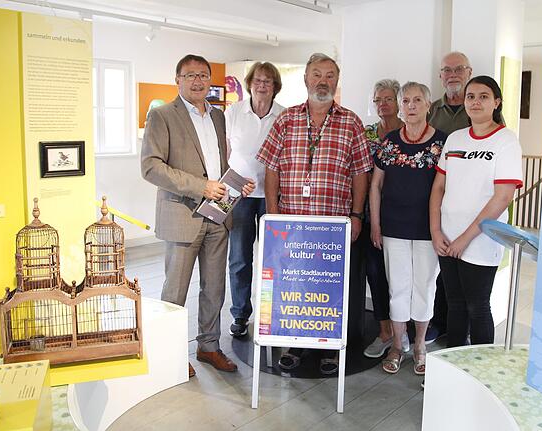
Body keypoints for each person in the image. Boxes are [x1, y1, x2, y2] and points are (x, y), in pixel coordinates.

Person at [256, 53, 372, 375]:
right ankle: (295, 343)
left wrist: (357, 215)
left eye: (330, 75)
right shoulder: (286, 119)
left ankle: (330, 348)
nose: (323, 81)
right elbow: (271, 169)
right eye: (317, 74)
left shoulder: (351, 122)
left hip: (332, 227)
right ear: (306, 79)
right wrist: (273, 215)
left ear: (337, 81)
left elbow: (361, 172)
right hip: (292, 225)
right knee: (294, 285)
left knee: (330, 288)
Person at [141, 54, 255, 377]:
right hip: (182, 217)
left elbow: (217, 166)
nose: (198, 81)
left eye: (203, 75)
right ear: (177, 79)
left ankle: (209, 347)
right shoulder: (162, 116)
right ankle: (169, 354)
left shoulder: (218, 117)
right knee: (174, 293)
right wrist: (200, 187)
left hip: (218, 215)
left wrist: (236, 184)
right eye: (190, 75)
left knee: (215, 288)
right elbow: (151, 167)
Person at [429, 75, 523, 349]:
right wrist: (436, 231)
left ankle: (482, 378)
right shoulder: (456, 139)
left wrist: (465, 239)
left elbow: (502, 197)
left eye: (483, 96)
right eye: (471, 96)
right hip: (447, 237)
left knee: (477, 306)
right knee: (454, 305)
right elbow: (438, 188)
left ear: (496, 102)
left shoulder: (506, 141)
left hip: (481, 240)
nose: (475, 101)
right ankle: (456, 370)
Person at [370, 82, 445, 375]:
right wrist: (375, 224)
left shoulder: (443, 143)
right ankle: (397, 346)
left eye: (417, 101)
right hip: (393, 228)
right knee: (398, 289)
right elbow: (376, 185)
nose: (411, 106)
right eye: (406, 101)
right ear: (400, 108)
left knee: (424, 288)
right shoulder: (389, 142)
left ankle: (420, 346)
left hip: (429, 230)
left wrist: (441, 228)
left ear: (428, 106)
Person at [225, 62, 285, 337]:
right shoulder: (233, 112)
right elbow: (222, 154)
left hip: (273, 196)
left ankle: (273, 313)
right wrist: (234, 183)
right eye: (258, 80)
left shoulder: (284, 116)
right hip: (240, 197)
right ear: (249, 83)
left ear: (275, 87)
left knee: (275, 259)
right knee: (239, 258)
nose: (262, 85)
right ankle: (240, 314)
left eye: (268, 81)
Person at [425, 51, 474, 343]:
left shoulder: (478, 105)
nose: (453, 74)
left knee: (465, 266)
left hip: (470, 202)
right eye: (447, 70)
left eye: (458, 69)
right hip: (436, 196)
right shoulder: (432, 110)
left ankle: (461, 328)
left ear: (468, 72)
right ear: (441, 75)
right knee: (439, 262)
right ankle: (439, 321)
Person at [361, 79, 410, 358]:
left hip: (404, 218)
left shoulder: (410, 133)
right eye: (378, 100)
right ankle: (384, 332)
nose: (383, 105)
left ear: (399, 102)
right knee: (376, 274)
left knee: (402, 278)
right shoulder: (367, 133)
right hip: (371, 215)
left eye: (389, 99)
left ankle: (402, 334)